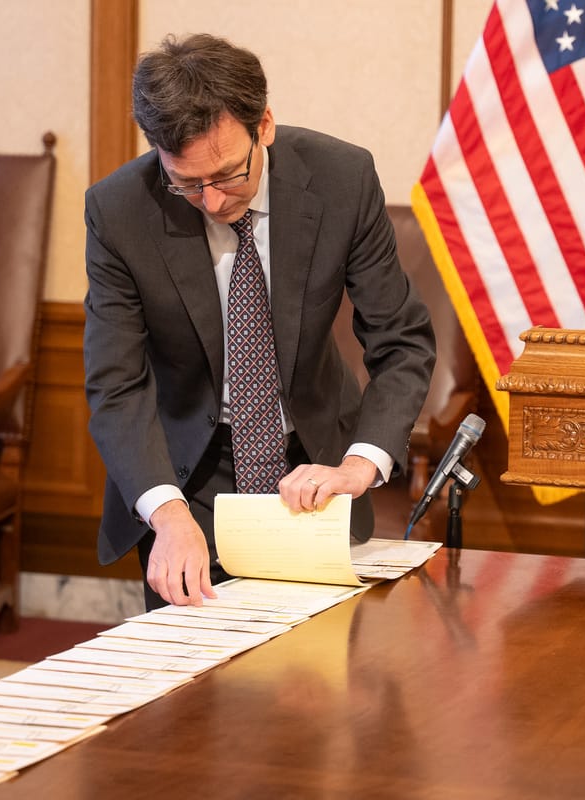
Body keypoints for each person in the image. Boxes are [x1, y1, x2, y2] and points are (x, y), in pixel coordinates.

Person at [83, 33, 436, 610]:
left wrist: (360, 462)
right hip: (185, 479)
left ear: (264, 125)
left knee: (319, 677)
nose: (214, 202)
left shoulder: (341, 179)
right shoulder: (119, 210)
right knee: (191, 687)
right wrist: (166, 514)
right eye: (188, 184)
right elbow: (116, 383)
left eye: (226, 175)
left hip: (316, 467)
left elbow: (401, 341)